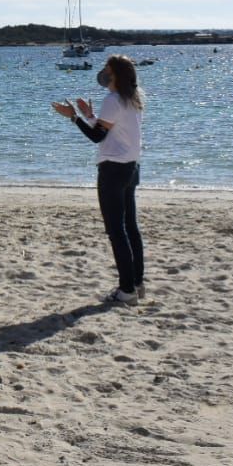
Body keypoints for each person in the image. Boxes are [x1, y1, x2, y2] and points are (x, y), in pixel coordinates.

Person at [53, 54, 146, 304]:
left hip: (113, 170)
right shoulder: (132, 99)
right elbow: (108, 131)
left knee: (117, 231)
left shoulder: (113, 99)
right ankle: (137, 283)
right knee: (130, 228)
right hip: (131, 167)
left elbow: (96, 138)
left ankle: (127, 290)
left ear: (114, 74)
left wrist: (73, 117)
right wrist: (91, 116)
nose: (103, 73)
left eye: (106, 69)